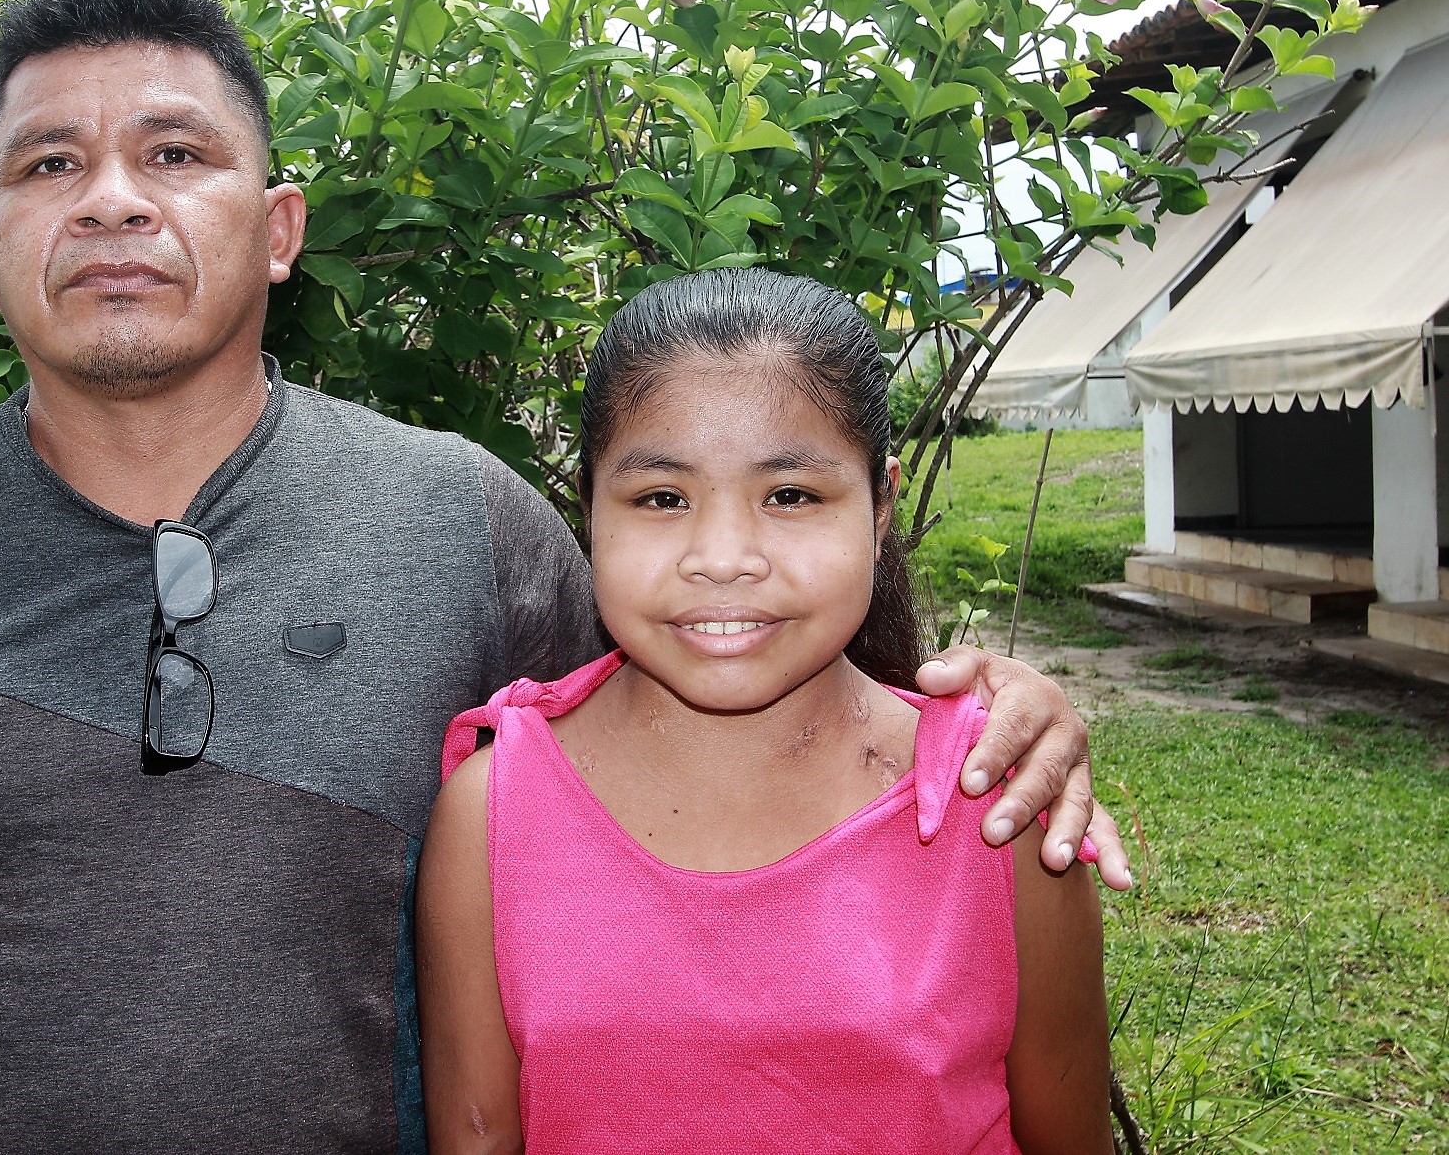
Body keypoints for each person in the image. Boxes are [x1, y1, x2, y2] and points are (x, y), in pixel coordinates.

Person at [0, 0, 1127, 1154]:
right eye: (52, 164)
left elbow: (692, 750)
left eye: (177, 153)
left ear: (281, 227)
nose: (114, 198)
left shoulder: (467, 520)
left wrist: (987, 714)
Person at [417, 269, 1113, 1154]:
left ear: (881, 505)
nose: (723, 556)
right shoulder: (491, 813)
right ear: (589, 507)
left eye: (791, 496)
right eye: (662, 498)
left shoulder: (997, 806)